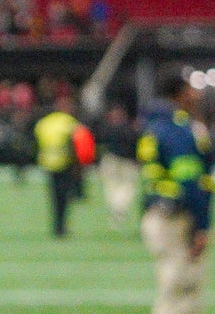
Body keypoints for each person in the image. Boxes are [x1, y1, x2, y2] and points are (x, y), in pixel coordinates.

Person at [139, 72, 215, 314]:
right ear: (180, 92)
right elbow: (191, 181)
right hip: (178, 222)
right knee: (182, 306)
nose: (197, 92)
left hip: (159, 217)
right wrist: (201, 226)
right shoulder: (179, 128)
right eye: (192, 86)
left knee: (167, 304)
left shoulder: (153, 124)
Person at [34, 85, 85, 238]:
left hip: (48, 163)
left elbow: (36, 141)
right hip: (65, 164)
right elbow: (79, 145)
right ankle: (61, 227)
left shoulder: (45, 122)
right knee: (64, 198)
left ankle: (57, 226)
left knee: (54, 197)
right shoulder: (70, 123)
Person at [95, 101, 142, 229]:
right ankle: (119, 207)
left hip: (117, 161)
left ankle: (117, 207)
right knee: (121, 187)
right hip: (122, 161)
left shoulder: (107, 127)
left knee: (117, 186)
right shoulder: (131, 128)